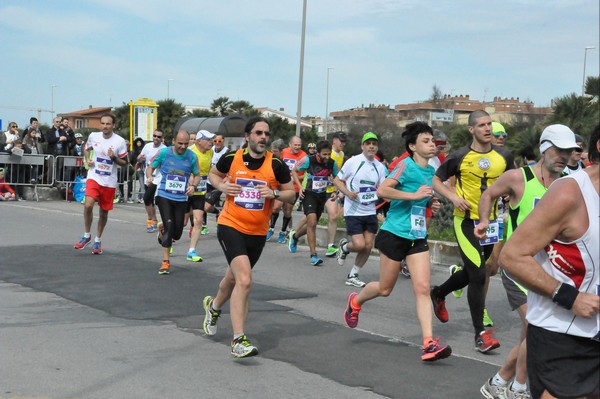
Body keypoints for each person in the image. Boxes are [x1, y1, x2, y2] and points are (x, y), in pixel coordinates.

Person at [477, 124, 580, 399]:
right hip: (517, 264)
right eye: (559, 150)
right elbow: (488, 195)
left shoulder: (570, 183)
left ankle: (498, 381)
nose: (564, 156)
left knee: (530, 330)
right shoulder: (518, 178)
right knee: (534, 328)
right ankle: (519, 387)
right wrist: (485, 221)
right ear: (544, 149)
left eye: (568, 151)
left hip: (548, 267)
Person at [499, 125, 599, 399]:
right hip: (563, 335)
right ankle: (507, 380)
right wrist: (570, 297)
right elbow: (511, 256)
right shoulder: (570, 193)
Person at [343, 123, 451, 362]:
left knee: (423, 289)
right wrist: (414, 196)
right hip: (394, 234)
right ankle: (355, 301)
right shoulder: (405, 165)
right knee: (385, 289)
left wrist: (427, 204)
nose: (432, 144)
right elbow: (383, 190)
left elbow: (421, 198)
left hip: (417, 236)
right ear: (412, 146)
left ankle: (428, 343)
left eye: (432, 140)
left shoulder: (431, 173)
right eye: (425, 141)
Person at [202, 116, 295, 358]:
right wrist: (221, 187)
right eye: (258, 133)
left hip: (257, 232)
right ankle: (238, 340)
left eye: (266, 133)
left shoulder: (276, 164)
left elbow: (291, 195)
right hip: (230, 224)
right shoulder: (232, 158)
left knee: (233, 279)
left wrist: (273, 192)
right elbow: (213, 174)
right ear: (247, 136)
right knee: (244, 279)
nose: (263, 137)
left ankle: (213, 307)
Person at [430, 110, 514, 353]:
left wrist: (509, 193)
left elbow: (515, 180)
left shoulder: (504, 156)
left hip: (492, 223)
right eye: (482, 125)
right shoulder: (459, 156)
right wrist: (453, 197)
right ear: (471, 130)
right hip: (466, 222)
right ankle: (480, 335)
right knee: (478, 274)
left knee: (477, 270)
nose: (487, 129)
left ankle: (439, 292)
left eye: (490, 125)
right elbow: (436, 181)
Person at [333, 132, 387, 287]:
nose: (371, 146)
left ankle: (353, 274)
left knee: (368, 245)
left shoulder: (380, 167)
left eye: (374, 144)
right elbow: (337, 180)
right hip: (354, 211)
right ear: (362, 146)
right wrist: (348, 193)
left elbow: (383, 188)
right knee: (359, 245)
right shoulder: (353, 161)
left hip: (370, 211)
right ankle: (344, 247)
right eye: (368, 143)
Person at [73, 114, 128, 255]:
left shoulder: (120, 141)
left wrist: (113, 157)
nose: (105, 126)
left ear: (113, 125)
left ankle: (97, 239)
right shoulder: (93, 136)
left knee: (103, 212)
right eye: (102, 123)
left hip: (109, 181)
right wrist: (88, 159)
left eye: (108, 124)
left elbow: (125, 162)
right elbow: (86, 148)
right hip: (94, 176)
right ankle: (86, 235)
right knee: (88, 204)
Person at [147, 130, 200, 275]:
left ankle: (161, 230)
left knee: (177, 233)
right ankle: (165, 262)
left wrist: (193, 186)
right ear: (173, 141)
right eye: (180, 143)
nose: (183, 147)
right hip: (164, 195)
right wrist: (150, 176)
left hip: (181, 198)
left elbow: (197, 175)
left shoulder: (192, 156)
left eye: (186, 143)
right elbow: (151, 166)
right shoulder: (165, 153)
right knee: (170, 227)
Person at [287, 140, 338, 265]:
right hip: (308, 194)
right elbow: (294, 171)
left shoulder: (332, 163)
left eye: (329, 154)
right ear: (318, 153)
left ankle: (295, 236)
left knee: (312, 224)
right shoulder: (308, 160)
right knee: (312, 221)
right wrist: (299, 187)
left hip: (321, 195)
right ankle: (313, 255)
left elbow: (338, 178)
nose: (327, 157)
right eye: (324, 154)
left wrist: (335, 191)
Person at [267, 136, 306, 243]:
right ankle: (271, 228)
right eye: (295, 145)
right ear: (290, 144)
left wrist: (295, 178)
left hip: (295, 187)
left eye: (299, 145)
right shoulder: (283, 152)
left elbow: (306, 175)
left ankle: (283, 232)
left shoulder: (304, 157)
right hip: (282, 184)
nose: (297, 147)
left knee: (287, 210)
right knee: (276, 207)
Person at [187, 129, 215, 262]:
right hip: (188, 189)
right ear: (199, 141)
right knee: (182, 222)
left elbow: (209, 169)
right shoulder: (190, 152)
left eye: (211, 139)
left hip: (201, 190)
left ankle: (191, 251)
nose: (211, 142)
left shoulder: (211, 151)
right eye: (208, 140)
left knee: (198, 220)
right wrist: (191, 181)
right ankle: (167, 234)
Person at [324, 131, 347, 257]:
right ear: (334, 141)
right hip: (318, 189)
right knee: (311, 219)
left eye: (344, 141)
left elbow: (338, 174)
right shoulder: (328, 153)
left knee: (333, 216)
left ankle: (330, 246)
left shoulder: (341, 154)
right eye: (341, 141)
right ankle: (295, 235)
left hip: (331, 191)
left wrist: (338, 190)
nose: (343, 143)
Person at [139, 130, 166, 233]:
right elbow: (140, 158)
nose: (156, 138)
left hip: (158, 178)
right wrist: (140, 158)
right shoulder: (147, 146)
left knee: (147, 199)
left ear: (162, 138)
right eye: (154, 136)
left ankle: (151, 221)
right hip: (148, 177)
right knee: (149, 201)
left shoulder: (164, 149)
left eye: (159, 137)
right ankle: (154, 220)